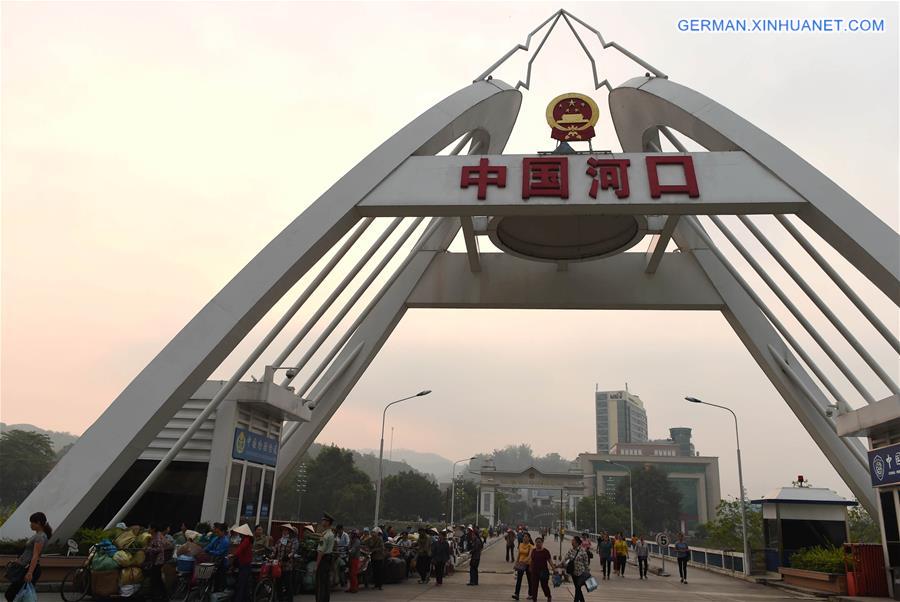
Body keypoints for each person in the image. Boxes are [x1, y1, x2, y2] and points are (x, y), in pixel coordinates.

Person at [4, 512, 51, 602]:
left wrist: (29, 573)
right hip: (25, 567)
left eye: (32, 522)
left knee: (12, 594)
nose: (30, 525)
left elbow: (35, 555)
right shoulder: (38, 535)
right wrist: (18, 561)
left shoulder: (40, 537)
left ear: (38, 523)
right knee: (16, 595)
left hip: (29, 569)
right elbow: (28, 553)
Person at [273, 524, 298, 601]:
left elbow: (293, 551)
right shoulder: (279, 540)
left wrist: (288, 556)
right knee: (278, 584)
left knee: (288, 585)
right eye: (283, 530)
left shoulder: (292, 541)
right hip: (278, 566)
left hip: (287, 566)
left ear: (289, 532)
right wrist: (272, 555)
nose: (284, 532)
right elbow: (275, 550)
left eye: (286, 530)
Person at [230, 524, 253, 602]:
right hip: (243, 563)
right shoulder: (244, 540)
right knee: (244, 584)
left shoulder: (246, 540)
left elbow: (240, 548)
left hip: (245, 564)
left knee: (241, 584)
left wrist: (233, 555)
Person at [315, 513, 336, 602]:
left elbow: (321, 551)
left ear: (328, 522)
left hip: (323, 560)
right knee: (326, 584)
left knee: (320, 584)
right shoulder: (330, 534)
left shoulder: (325, 535)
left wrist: (316, 565)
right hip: (328, 560)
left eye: (324, 520)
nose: (322, 521)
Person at [563, 536, 591, 602]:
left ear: (577, 542)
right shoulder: (571, 550)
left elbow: (586, 563)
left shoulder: (583, 551)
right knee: (577, 588)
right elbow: (565, 559)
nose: (572, 542)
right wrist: (560, 565)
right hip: (573, 573)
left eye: (573, 540)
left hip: (581, 573)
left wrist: (588, 572)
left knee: (578, 587)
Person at [528, 536, 553, 601]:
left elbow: (550, 561)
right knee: (534, 586)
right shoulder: (533, 551)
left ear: (542, 543)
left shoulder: (545, 551)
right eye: (537, 542)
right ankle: (534, 599)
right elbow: (531, 560)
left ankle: (548, 595)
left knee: (544, 586)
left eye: (539, 542)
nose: (538, 543)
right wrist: (530, 567)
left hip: (543, 571)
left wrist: (554, 568)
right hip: (534, 571)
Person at [511, 531, 534, 601]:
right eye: (524, 537)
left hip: (528, 564)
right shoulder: (520, 544)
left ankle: (531, 594)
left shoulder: (531, 546)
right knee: (519, 579)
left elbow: (530, 556)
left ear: (529, 538)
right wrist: (516, 563)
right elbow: (519, 555)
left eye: (526, 537)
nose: (525, 538)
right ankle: (516, 594)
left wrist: (523, 562)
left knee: (529, 579)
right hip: (521, 564)